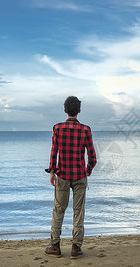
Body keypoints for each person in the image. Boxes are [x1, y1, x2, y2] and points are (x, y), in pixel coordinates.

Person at [44, 96, 97, 259]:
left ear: (65, 110)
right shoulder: (86, 130)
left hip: (63, 175)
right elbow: (93, 157)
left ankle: (55, 246)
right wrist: (87, 170)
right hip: (79, 175)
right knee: (78, 212)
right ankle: (75, 248)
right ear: (79, 111)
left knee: (58, 210)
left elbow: (54, 152)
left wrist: (52, 171)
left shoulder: (58, 128)